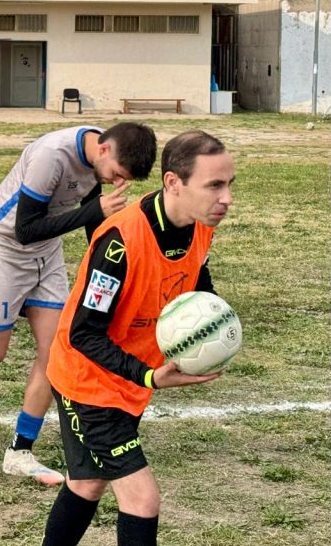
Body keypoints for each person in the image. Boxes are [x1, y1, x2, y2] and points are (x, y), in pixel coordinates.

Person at [0, 123, 157, 486]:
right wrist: (95, 211)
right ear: (104, 150)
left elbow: (91, 217)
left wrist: (104, 258)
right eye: (117, 175)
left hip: (46, 253)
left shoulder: (102, 157)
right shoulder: (51, 156)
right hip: (4, 250)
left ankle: (19, 451)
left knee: (55, 353)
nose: (117, 183)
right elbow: (26, 229)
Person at [39, 130, 234, 546]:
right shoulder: (119, 244)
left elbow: (196, 273)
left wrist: (211, 320)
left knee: (86, 484)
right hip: (86, 381)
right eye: (214, 185)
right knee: (142, 499)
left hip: (128, 380)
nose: (226, 198)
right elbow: (82, 334)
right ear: (173, 183)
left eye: (229, 184)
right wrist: (148, 376)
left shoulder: (200, 225)